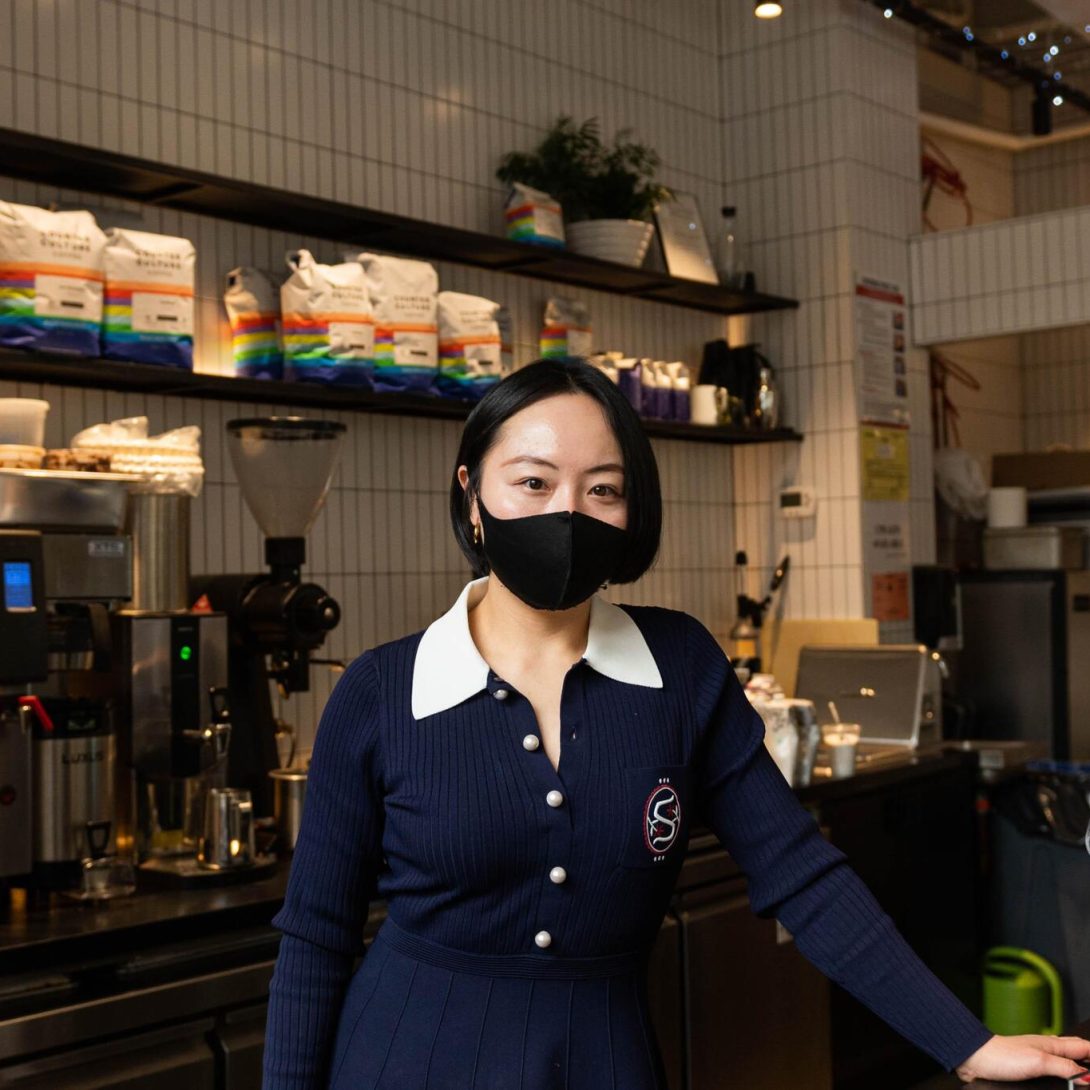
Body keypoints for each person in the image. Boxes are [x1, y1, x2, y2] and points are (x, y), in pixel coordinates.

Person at [262, 357, 1090, 1089]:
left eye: (603, 489)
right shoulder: (383, 692)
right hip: (405, 1061)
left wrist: (967, 1043)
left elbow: (802, 874)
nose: (568, 512)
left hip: (606, 1063)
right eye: (533, 482)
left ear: (632, 510)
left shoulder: (679, 668)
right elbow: (316, 939)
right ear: (471, 496)